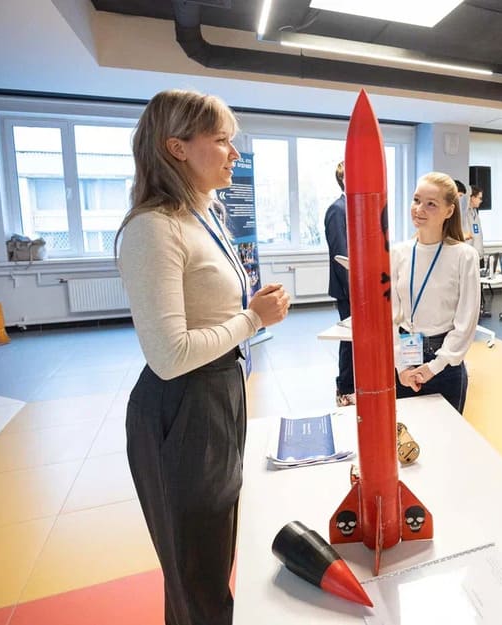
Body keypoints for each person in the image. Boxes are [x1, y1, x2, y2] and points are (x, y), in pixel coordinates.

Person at [116, 89, 291, 624]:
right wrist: (252, 319)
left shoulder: (204, 215)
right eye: (221, 141)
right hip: (181, 403)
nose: (235, 154)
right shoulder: (153, 228)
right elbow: (169, 355)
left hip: (220, 389)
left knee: (214, 553)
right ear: (177, 148)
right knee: (196, 571)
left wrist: (248, 317)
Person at [391, 172, 481, 414]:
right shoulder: (399, 253)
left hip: (445, 363)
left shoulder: (464, 255)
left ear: (449, 211)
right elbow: (392, 316)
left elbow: (466, 321)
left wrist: (435, 366)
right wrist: (401, 367)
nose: (419, 209)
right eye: (416, 200)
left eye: (431, 204)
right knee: (406, 434)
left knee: (446, 435)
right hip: (405, 358)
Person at [324, 161, 355, 406]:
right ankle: (344, 388)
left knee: (358, 340)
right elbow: (340, 254)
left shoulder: (356, 208)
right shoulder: (338, 209)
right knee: (349, 339)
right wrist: (354, 289)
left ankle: (355, 384)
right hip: (349, 290)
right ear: (343, 179)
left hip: (363, 288)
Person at [463, 184, 485, 258]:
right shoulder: (465, 214)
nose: (481, 201)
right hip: (470, 257)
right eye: (480, 198)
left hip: (478, 256)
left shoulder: (475, 212)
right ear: (472, 198)